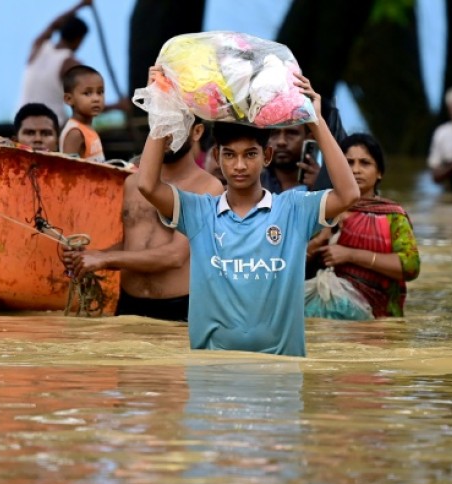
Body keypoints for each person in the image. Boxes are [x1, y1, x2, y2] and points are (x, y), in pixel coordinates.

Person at [137, 67, 359, 356]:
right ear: (216, 157)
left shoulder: (293, 209)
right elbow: (147, 185)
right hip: (211, 375)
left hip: (280, 375)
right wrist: (160, 106)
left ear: (266, 156)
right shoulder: (200, 212)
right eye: (229, 155)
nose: (239, 166)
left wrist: (316, 122)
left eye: (250, 154)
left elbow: (349, 194)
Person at [62, 118, 224, 322]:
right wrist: (88, 257)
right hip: (129, 304)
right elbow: (131, 245)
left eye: (173, 125)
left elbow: (175, 256)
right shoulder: (131, 183)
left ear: (197, 131)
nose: (164, 134)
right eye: (159, 125)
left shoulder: (208, 188)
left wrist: (104, 259)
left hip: (178, 308)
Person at [307, 133, 420, 318]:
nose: (355, 170)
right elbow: (285, 267)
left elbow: (410, 267)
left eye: (365, 163)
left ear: (379, 172)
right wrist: (319, 241)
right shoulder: (320, 210)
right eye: (348, 163)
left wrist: (351, 255)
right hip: (325, 315)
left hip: (378, 322)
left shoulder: (392, 215)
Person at [16, 0, 92, 126]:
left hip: (21, 121)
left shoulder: (38, 47)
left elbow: (53, 25)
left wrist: (79, 6)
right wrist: (118, 107)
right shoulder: (70, 63)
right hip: (50, 126)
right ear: (79, 39)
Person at [59, 65, 105, 162]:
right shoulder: (75, 132)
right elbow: (68, 169)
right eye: (87, 93)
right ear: (69, 99)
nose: (96, 99)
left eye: (100, 92)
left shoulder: (87, 128)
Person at [261, 124, 320, 194]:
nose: (281, 142)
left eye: (291, 133)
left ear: (310, 138)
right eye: (274, 133)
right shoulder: (254, 183)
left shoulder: (329, 181)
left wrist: (320, 186)